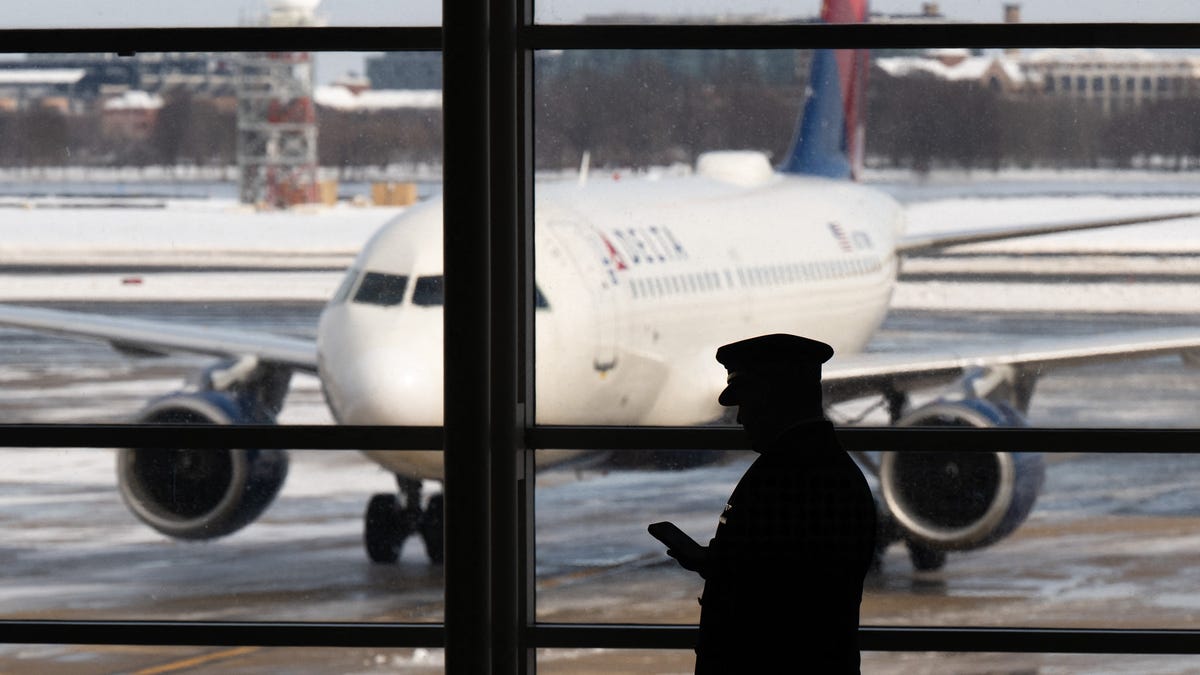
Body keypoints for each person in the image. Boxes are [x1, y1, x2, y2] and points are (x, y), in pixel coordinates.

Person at [651, 333, 878, 674]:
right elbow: (779, 569)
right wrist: (711, 562)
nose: (741, 418)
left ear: (776, 399)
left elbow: (781, 598)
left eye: (748, 402)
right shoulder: (816, 468)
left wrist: (718, 567)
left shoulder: (793, 475)